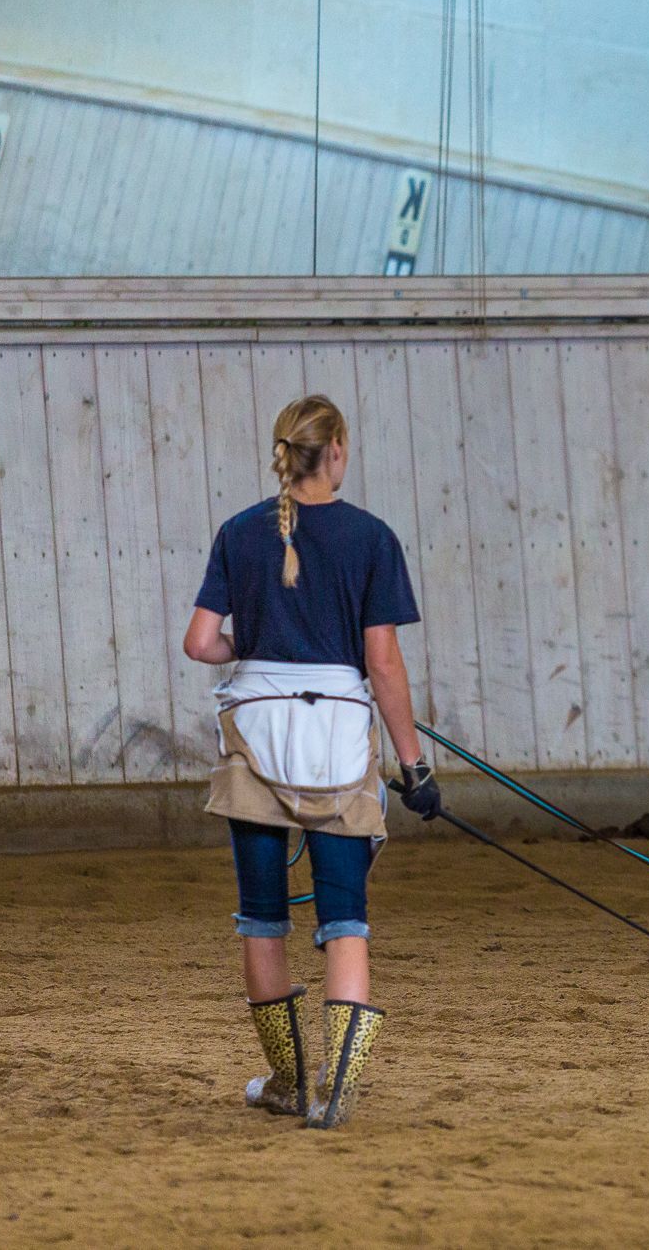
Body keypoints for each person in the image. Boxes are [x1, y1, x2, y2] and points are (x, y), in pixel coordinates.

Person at [181, 394, 443, 1128]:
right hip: (337, 741)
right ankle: (339, 1089)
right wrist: (414, 764)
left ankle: (289, 1079)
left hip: (256, 737)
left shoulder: (238, 533)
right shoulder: (372, 537)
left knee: (261, 920)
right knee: (345, 919)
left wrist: (250, 650)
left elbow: (201, 642)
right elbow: (382, 662)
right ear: (336, 453)